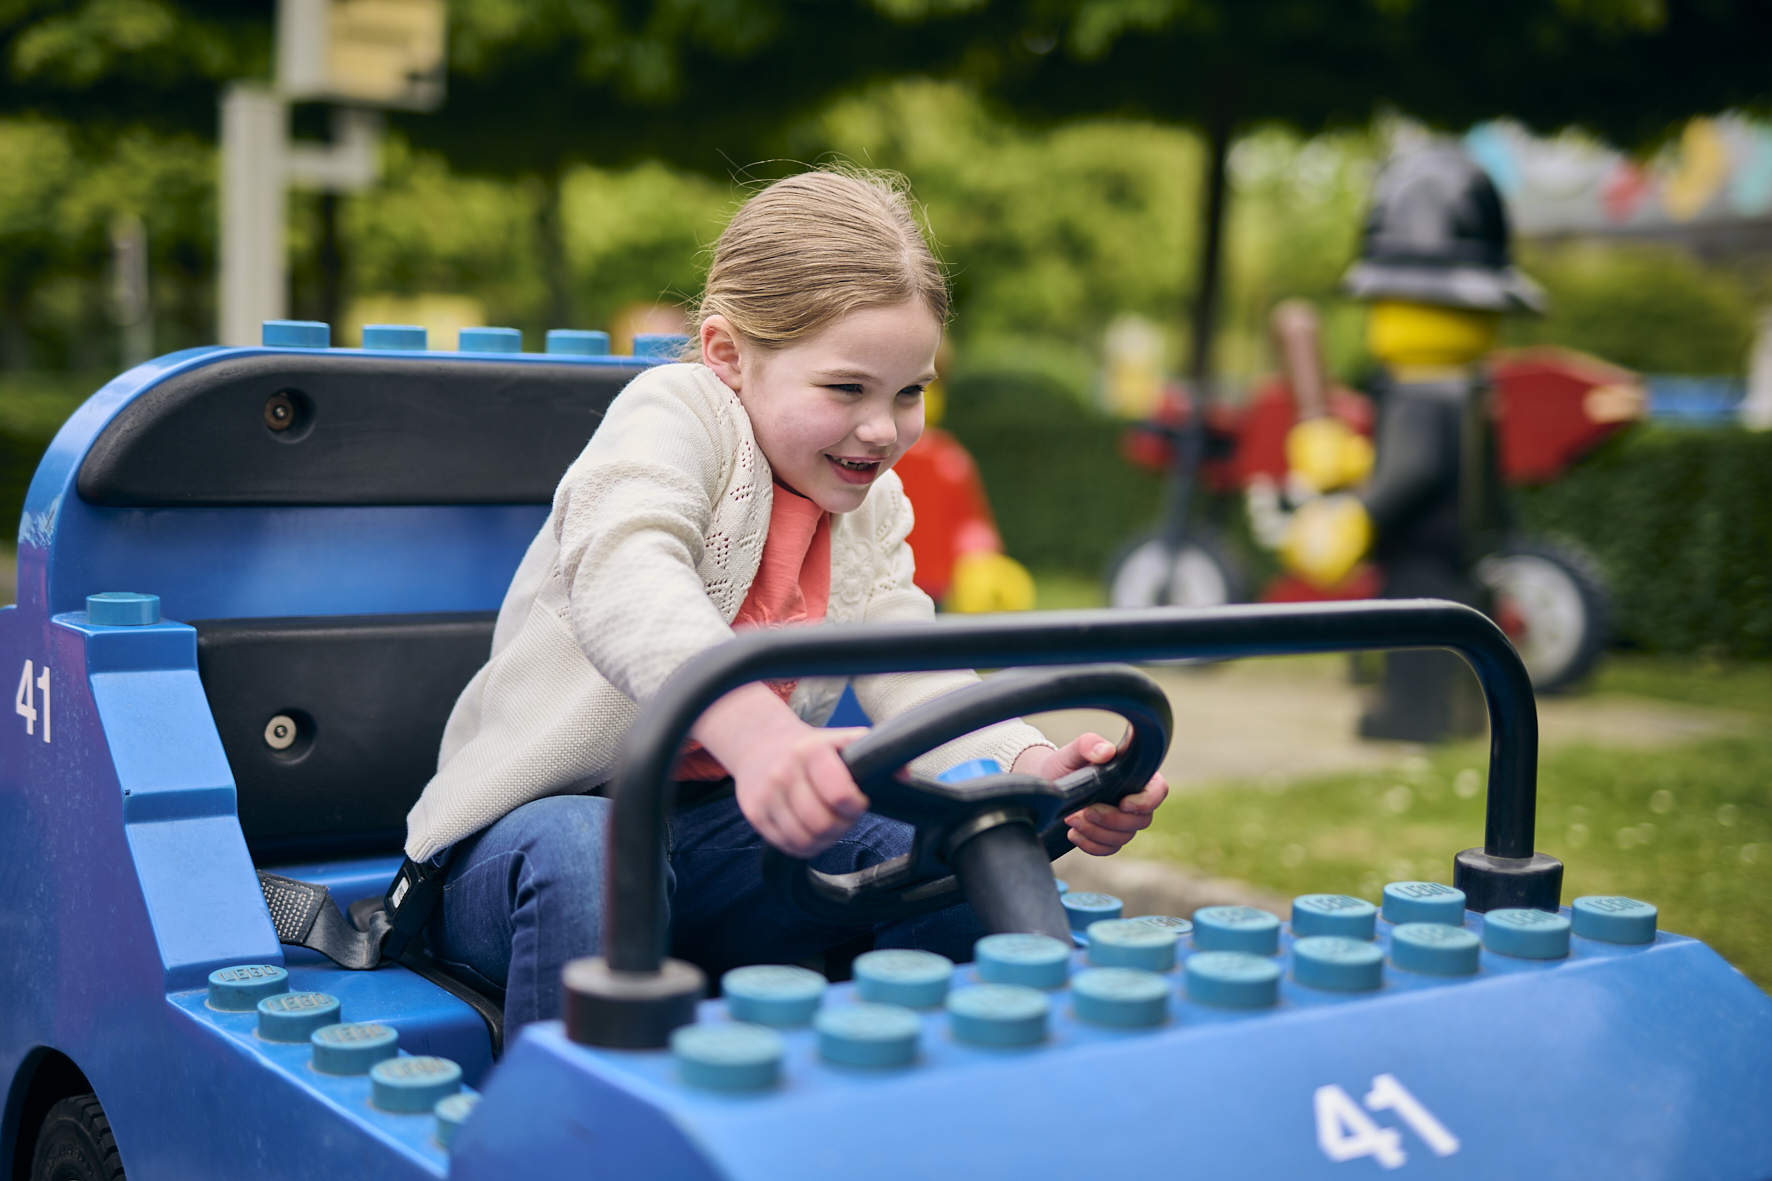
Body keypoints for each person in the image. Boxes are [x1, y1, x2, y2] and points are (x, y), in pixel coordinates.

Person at [402, 169, 1171, 1025]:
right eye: (847, 389)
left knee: (957, 846)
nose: (884, 429)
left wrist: (1028, 766)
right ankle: (575, 1133)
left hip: (720, 847)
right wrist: (759, 732)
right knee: (589, 847)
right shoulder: (674, 416)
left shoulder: (871, 503)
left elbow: (909, 666)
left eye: (909, 392)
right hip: (527, 857)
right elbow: (627, 579)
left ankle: (935, 1097)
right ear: (730, 355)